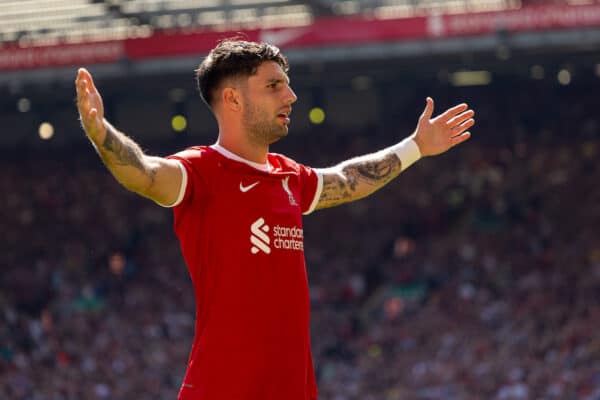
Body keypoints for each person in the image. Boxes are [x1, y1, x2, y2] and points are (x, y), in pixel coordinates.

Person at [75, 39, 474, 400]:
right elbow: (143, 173)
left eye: (287, 84)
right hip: (224, 387)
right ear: (232, 99)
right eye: (274, 86)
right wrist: (100, 132)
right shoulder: (201, 170)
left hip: (293, 386)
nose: (291, 96)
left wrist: (416, 147)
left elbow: (349, 180)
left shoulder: (288, 175)